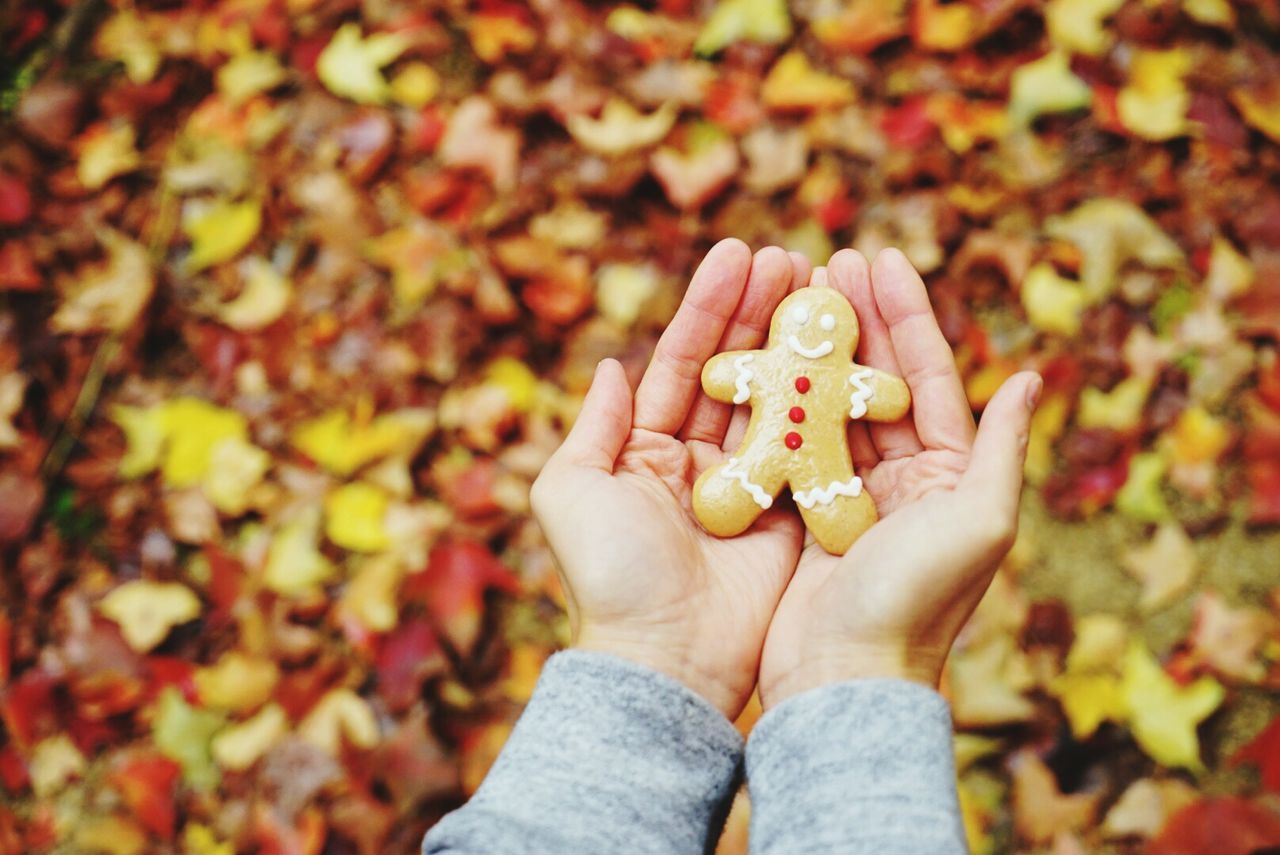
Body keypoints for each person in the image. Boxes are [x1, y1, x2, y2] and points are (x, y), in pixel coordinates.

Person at [421, 240, 1043, 854]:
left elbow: (884, 393)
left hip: (825, 471)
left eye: (830, 323)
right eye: (807, 320)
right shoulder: (765, 366)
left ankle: (814, 501)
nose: (818, 327)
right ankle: (750, 492)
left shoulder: (842, 376)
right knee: (737, 490)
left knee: (830, 496)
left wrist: (645, 655)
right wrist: (861, 665)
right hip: (753, 465)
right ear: (781, 329)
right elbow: (724, 373)